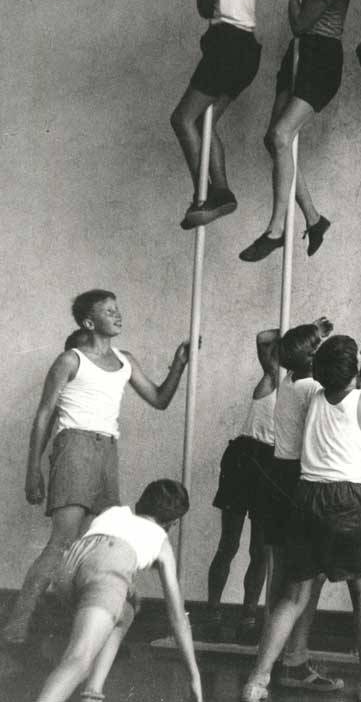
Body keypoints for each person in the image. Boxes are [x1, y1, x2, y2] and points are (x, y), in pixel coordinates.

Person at [3, 291, 189, 650]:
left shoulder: (125, 359)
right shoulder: (71, 360)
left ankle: (88, 625)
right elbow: (44, 414)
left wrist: (178, 363)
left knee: (104, 542)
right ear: (89, 323)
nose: (117, 315)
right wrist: (33, 470)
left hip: (107, 450)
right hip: (74, 446)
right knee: (62, 542)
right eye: (108, 311)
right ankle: (17, 623)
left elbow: (160, 400)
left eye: (118, 308)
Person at [241, 335, 361, 702]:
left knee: (293, 595)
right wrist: (360, 377)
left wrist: (350, 367)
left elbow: (329, 380)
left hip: (306, 496)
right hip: (345, 499)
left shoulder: (311, 394)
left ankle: (257, 679)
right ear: (357, 372)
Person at [239, 0, 349, 263]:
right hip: (298, 56)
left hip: (320, 59)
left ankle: (276, 230)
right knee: (275, 141)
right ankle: (315, 220)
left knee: (280, 136)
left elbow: (301, 24)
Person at [33, 479, 203, 702]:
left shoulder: (113, 513)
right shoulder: (161, 541)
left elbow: (91, 550)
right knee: (79, 659)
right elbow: (178, 617)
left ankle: (92, 693)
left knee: (127, 606)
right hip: (108, 567)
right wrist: (194, 676)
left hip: (69, 569)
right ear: (173, 522)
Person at [164, 0, 262, 229]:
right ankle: (222, 192)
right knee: (205, 123)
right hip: (248, 52)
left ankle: (201, 197)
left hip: (226, 47)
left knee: (181, 119)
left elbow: (205, 10)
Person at [257, 317, 344, 694]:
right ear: (313, 355)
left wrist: (312, 335)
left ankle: (274, 657)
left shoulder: (287, 380)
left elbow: (274, 343)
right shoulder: (313, 389)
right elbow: (343, 408)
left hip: (276, 475)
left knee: (282, 577)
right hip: (299, 480)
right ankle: (294, 659)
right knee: (307, 580)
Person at [202, 328, 280, 642]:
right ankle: (212, 611)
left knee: (260, 550)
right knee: (229, 544)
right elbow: (263, 337)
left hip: (273, 464)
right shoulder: (273, 378)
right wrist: (306, 332)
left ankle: (249, 615)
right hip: (244, 459)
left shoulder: (308, 390)